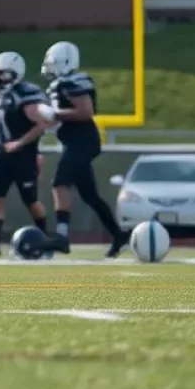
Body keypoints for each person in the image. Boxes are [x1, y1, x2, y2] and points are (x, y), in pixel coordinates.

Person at [42, 41, 129, 258]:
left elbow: (86, 111)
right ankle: (118, 235)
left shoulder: (72, 82)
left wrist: (55, 115)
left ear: (63, 62)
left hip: (82, 141)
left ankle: (62, 237)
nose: (49, 67)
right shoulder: (61, 84)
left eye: (52, 63)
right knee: (90, 196)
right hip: (75, 141)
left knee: (59, 184)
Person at [0, 51, 54, 257]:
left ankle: (46, 240)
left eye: (3, 73)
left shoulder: (27, 94)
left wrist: (20, 142)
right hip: (2, 153)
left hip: (25, 154)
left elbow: (42, 123)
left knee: (31, 200)